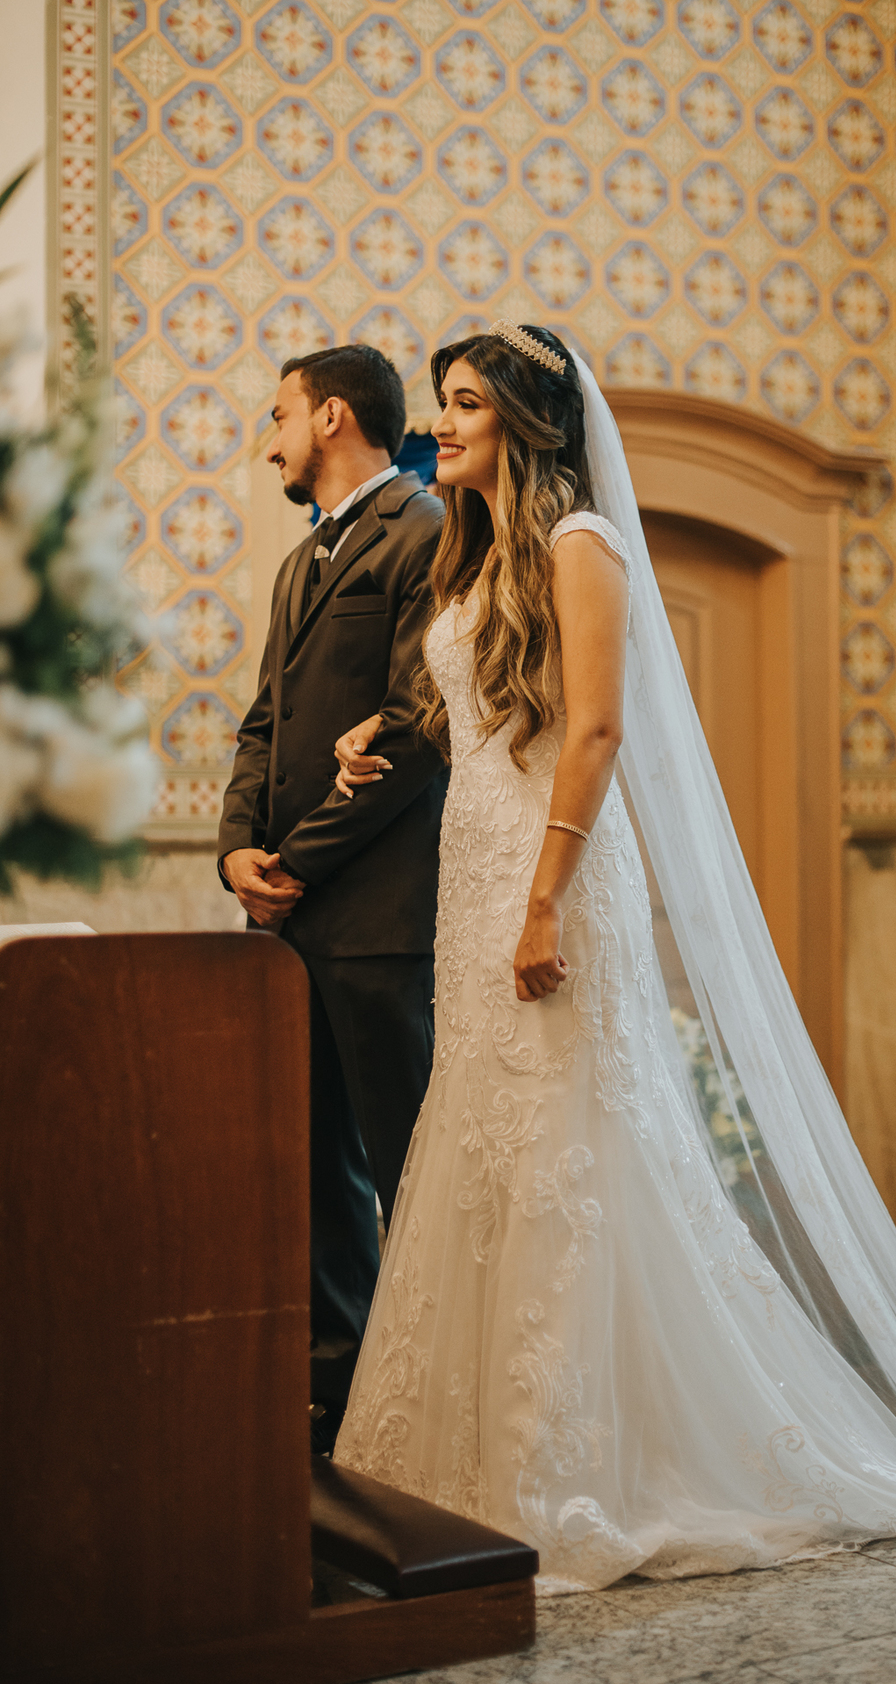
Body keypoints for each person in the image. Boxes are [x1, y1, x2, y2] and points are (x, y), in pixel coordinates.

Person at [331, 322, 896, 1591]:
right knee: (483, 1143)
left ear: (529, 424)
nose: (446, 422)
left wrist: (542, 901)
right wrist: (380, 729)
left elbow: (591, 732)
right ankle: (465, 1468)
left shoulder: (582, 547)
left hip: (550, 876)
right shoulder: (475, 557)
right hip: (471, 874)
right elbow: (476, 707)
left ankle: (574, 1465)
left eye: (469, 402)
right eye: (444, 401)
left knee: (564, 1151)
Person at [217, 344, 447, 1454]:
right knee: (312, 1173)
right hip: (290, 919)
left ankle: (432, 1398)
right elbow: (266, 721)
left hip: (381, 921)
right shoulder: (303, 560)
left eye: (281, 416)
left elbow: (416, 730)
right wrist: (233, 853)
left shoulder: (427, 532)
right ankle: (339, 1398)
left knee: (407, 1167)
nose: (271, 440)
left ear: (334, 415)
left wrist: (294, 860)